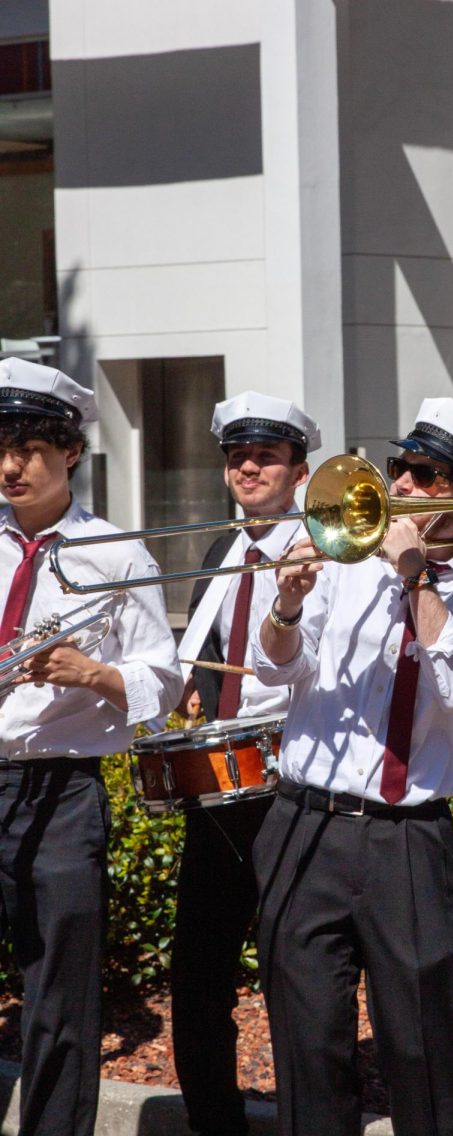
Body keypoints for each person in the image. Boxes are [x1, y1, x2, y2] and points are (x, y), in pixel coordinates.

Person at [250, 397, 453, 1136]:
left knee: (420, 1048)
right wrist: (284, 607)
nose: (400, 483)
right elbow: (275, 674)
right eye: (399, 465)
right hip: (304, 823)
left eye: (425, 475)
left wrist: (415, 579)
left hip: (407, 839)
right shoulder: (341, 566)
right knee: (307, 1046)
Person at [0, 356, 182, 1136]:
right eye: (0, 446)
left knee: (60, 993)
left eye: (29, 448)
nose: (10, 466)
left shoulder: (117, 553)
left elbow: (163, 682)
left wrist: (94, 673)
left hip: (65, 788)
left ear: (70, 451)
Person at [171, 391, 321, 1136]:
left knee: (297, 970)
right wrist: (196, 699)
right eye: (237, 457)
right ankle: (213, 1121)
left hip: (293, 783)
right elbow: (207, 655)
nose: (248, 467)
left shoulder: (322, 553)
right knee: (198, 972)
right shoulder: (219, 551)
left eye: (265, 455)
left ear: (299, 468)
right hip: (219, 785)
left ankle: (307, 1117)